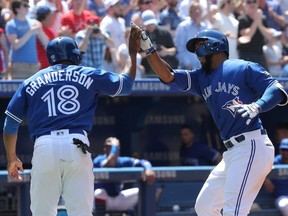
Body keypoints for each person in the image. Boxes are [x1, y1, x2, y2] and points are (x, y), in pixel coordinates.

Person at [134, 25, 288, 215]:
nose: (197, 54)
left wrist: (257, 106)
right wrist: (150, 50)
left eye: (199, 46)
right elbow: (168, 75)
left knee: (234, 211)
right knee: (205, 206)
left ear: (214, 46)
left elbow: (277, 89)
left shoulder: (242, 67)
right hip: (232, 152)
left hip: (252, 145)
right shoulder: (201, 77)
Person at [3, 24, 141, 215]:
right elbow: (125, 85)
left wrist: (12, 158)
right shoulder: (88, 73)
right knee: (81, 212)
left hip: (44, 147)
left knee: (42, 213)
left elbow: (10, 122)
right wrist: (132, 53)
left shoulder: (31, 80)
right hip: (77, 146)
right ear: (74, 55)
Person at [93, 137, 155, 212]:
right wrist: (115, 145)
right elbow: (111, 162)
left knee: (140, 192)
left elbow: (143, 162)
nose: (115, 150)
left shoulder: (123, 161)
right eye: (110, 147)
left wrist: (148, 168)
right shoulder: (98, 160)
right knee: (99, 192)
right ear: (105, 149)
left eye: (117, 148)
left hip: (118, 199)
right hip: (104, 201)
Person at [5, 0, 49, 79]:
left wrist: (40, 31)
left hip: (34, 65)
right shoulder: (11, 25)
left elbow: (46, 43)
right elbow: (16, 45)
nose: (28, 7)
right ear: (17, 9)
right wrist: (30, 32)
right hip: (19, 65)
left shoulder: (34, 23)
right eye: (25, 6)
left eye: (28, 5)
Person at [263, 138, 288, 216]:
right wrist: (265, 179)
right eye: (283, 149)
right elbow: (259, 171)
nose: (286, 152)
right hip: (282, 197)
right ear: (280, 150)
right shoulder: (274, 162)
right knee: (286, 205)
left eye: (287, 150)